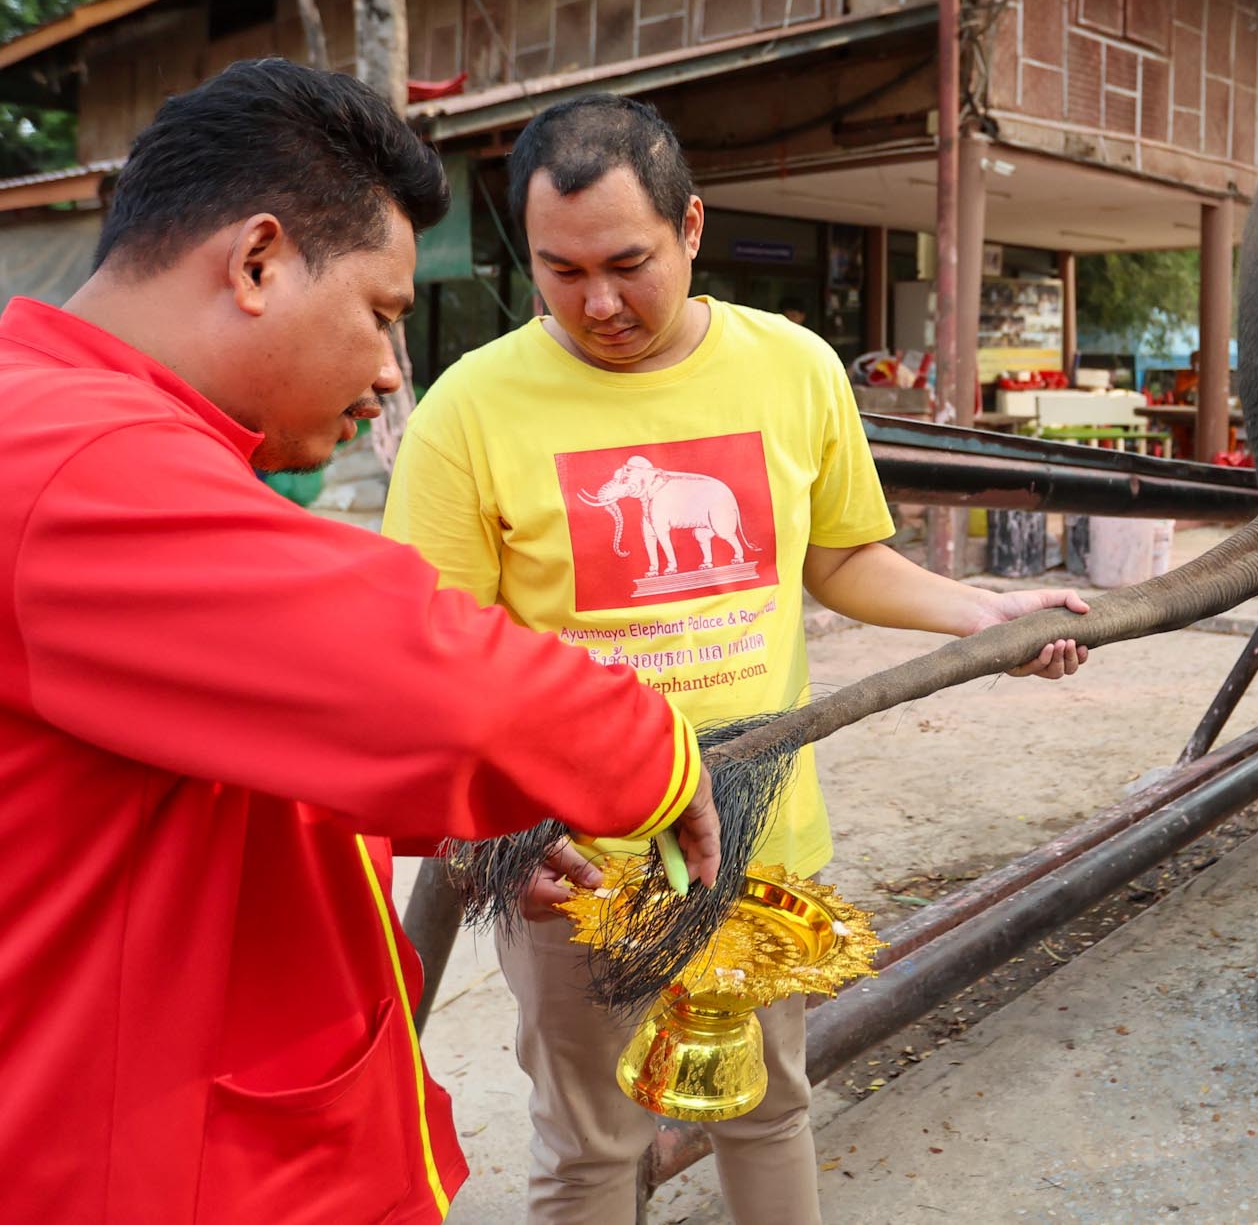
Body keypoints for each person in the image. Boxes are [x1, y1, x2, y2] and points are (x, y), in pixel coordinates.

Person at [0, 60, 721, 1221]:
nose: (392, 373)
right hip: (162, 1165)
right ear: (256, 262)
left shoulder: (80, 427)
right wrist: (655, 759)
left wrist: (474, 821)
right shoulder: (70, 459)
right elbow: (433, 679)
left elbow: (201, 760)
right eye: (382, 316)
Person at [383, 93, 1090, 1225]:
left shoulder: (793, 367)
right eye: (561, 273)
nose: (598, 303)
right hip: (576, 863)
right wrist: (502, 824)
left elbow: (845, 559)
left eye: (628, 263)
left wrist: (981, 615)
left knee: (765, 1108)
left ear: (692, 229)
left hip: (757, 843)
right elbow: (431, 652)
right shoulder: (469, 409)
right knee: (588, 1144)